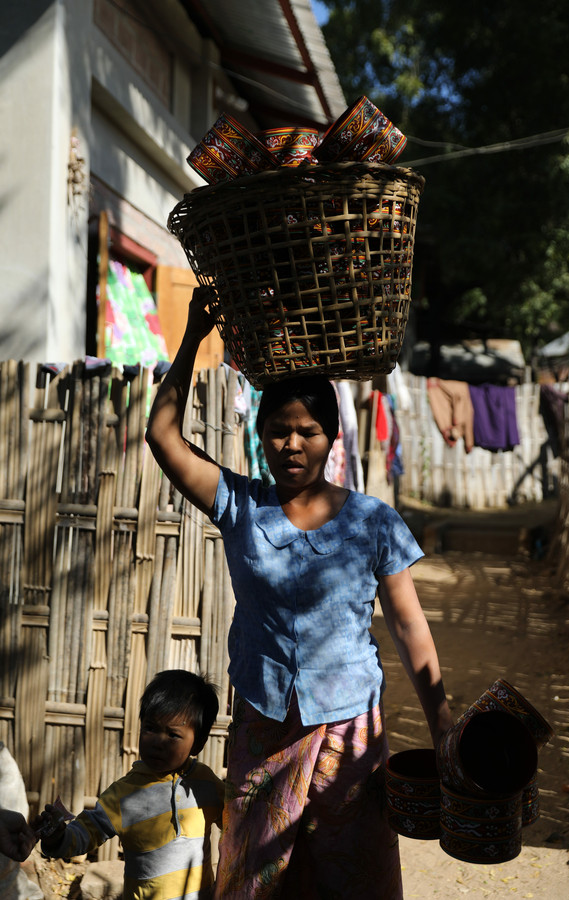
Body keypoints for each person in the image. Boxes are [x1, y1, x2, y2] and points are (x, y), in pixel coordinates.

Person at [145, 286, 454, 899]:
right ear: (260, 435)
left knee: (353, 868)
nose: (292, 444)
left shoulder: (374, 522)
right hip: (263, 721)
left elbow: (409, 626)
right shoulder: (240, 504)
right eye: (279, 431)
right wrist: (190, 339)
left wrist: (442, 721)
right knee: (257, 872)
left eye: (307, 431)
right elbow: (163, 436)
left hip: (348, 729)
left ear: (332, 436)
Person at [34, 669, 224, 900]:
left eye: (173, 735)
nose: (157, 742)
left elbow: (235, 823)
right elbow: (87, 832)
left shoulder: (206, 783)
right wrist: (57, 837)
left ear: (198, 744)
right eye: (150, 728)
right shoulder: (125, 794)